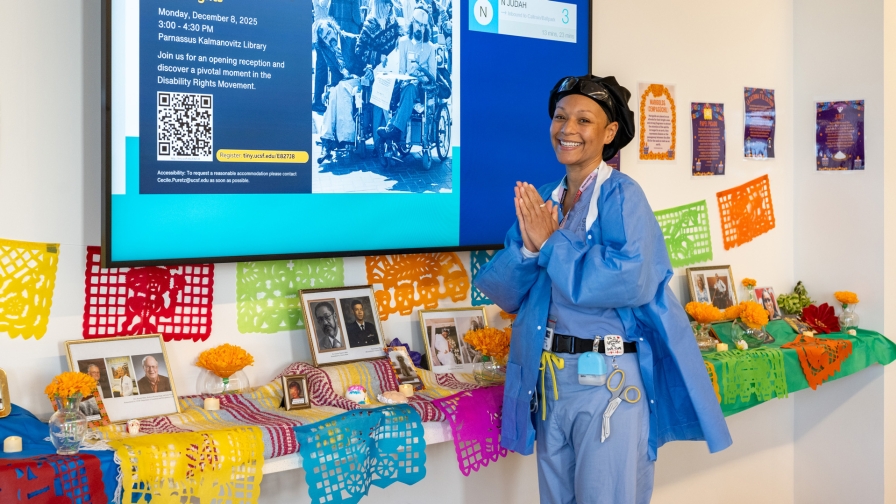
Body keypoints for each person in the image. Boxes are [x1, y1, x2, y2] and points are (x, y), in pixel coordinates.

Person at [473, 75, 732, 503]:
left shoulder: (624, 196)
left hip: (607, 381)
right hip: (552, 379)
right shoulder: (545, 199)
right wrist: (526, 249)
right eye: (559, 116)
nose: (567, 129)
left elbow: (630, 280)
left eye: (583, 120)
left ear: (609, 133)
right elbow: (506, 289)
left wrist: (552, 244)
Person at [376, 7, 436, 143]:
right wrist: (405, 78)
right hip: (406, 84)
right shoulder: (403, 42)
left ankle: (394, 129)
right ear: (412, 23)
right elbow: (402, 70)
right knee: (390, 89)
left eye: (423, 25)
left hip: (422, 89)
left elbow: (433, 76)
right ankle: (389, 133)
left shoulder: (430, 47)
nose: (420, 28)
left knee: (409, 89)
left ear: (426, 27)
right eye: (417, 24)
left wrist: (420, 74)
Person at [314, 18, 364, 162]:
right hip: (343, 85)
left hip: (358, 80)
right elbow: (334, 73)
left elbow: (362, 62)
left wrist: (353, 74)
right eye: (325, 37)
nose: (329, 37)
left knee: (340, 88)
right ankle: (331, 140)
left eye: (329, 33)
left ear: (334, 28)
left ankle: (328, 142)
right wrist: (329, 89)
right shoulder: (327, 49)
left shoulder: (350, 39)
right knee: (336, 91)